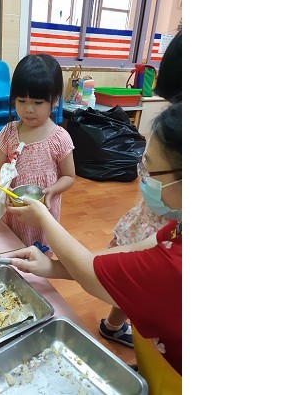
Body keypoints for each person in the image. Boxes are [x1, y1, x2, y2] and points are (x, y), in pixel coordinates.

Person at [3, 101, 182, 374]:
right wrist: (52, 267)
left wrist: (44, 218)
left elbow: (94, 274)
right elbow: (122, 257)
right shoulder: (177, 227)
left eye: (149, 166)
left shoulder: (175, 264)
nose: (141, 176)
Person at [101, 31, 182, 348]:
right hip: (147, 221)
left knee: (136, 289)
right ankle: (114, 326)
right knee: (125, 283)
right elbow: (111, 269)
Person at [0, 54, 76, 251]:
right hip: (13, 210)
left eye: (38, 103)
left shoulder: (59, 138)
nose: (28, 109)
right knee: (12, 248)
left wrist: (53, 190)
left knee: (39, 254)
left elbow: (69, 176)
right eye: (21, 100)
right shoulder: (9, 132)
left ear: (55, 100)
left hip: (42, 213)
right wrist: (4, 188)